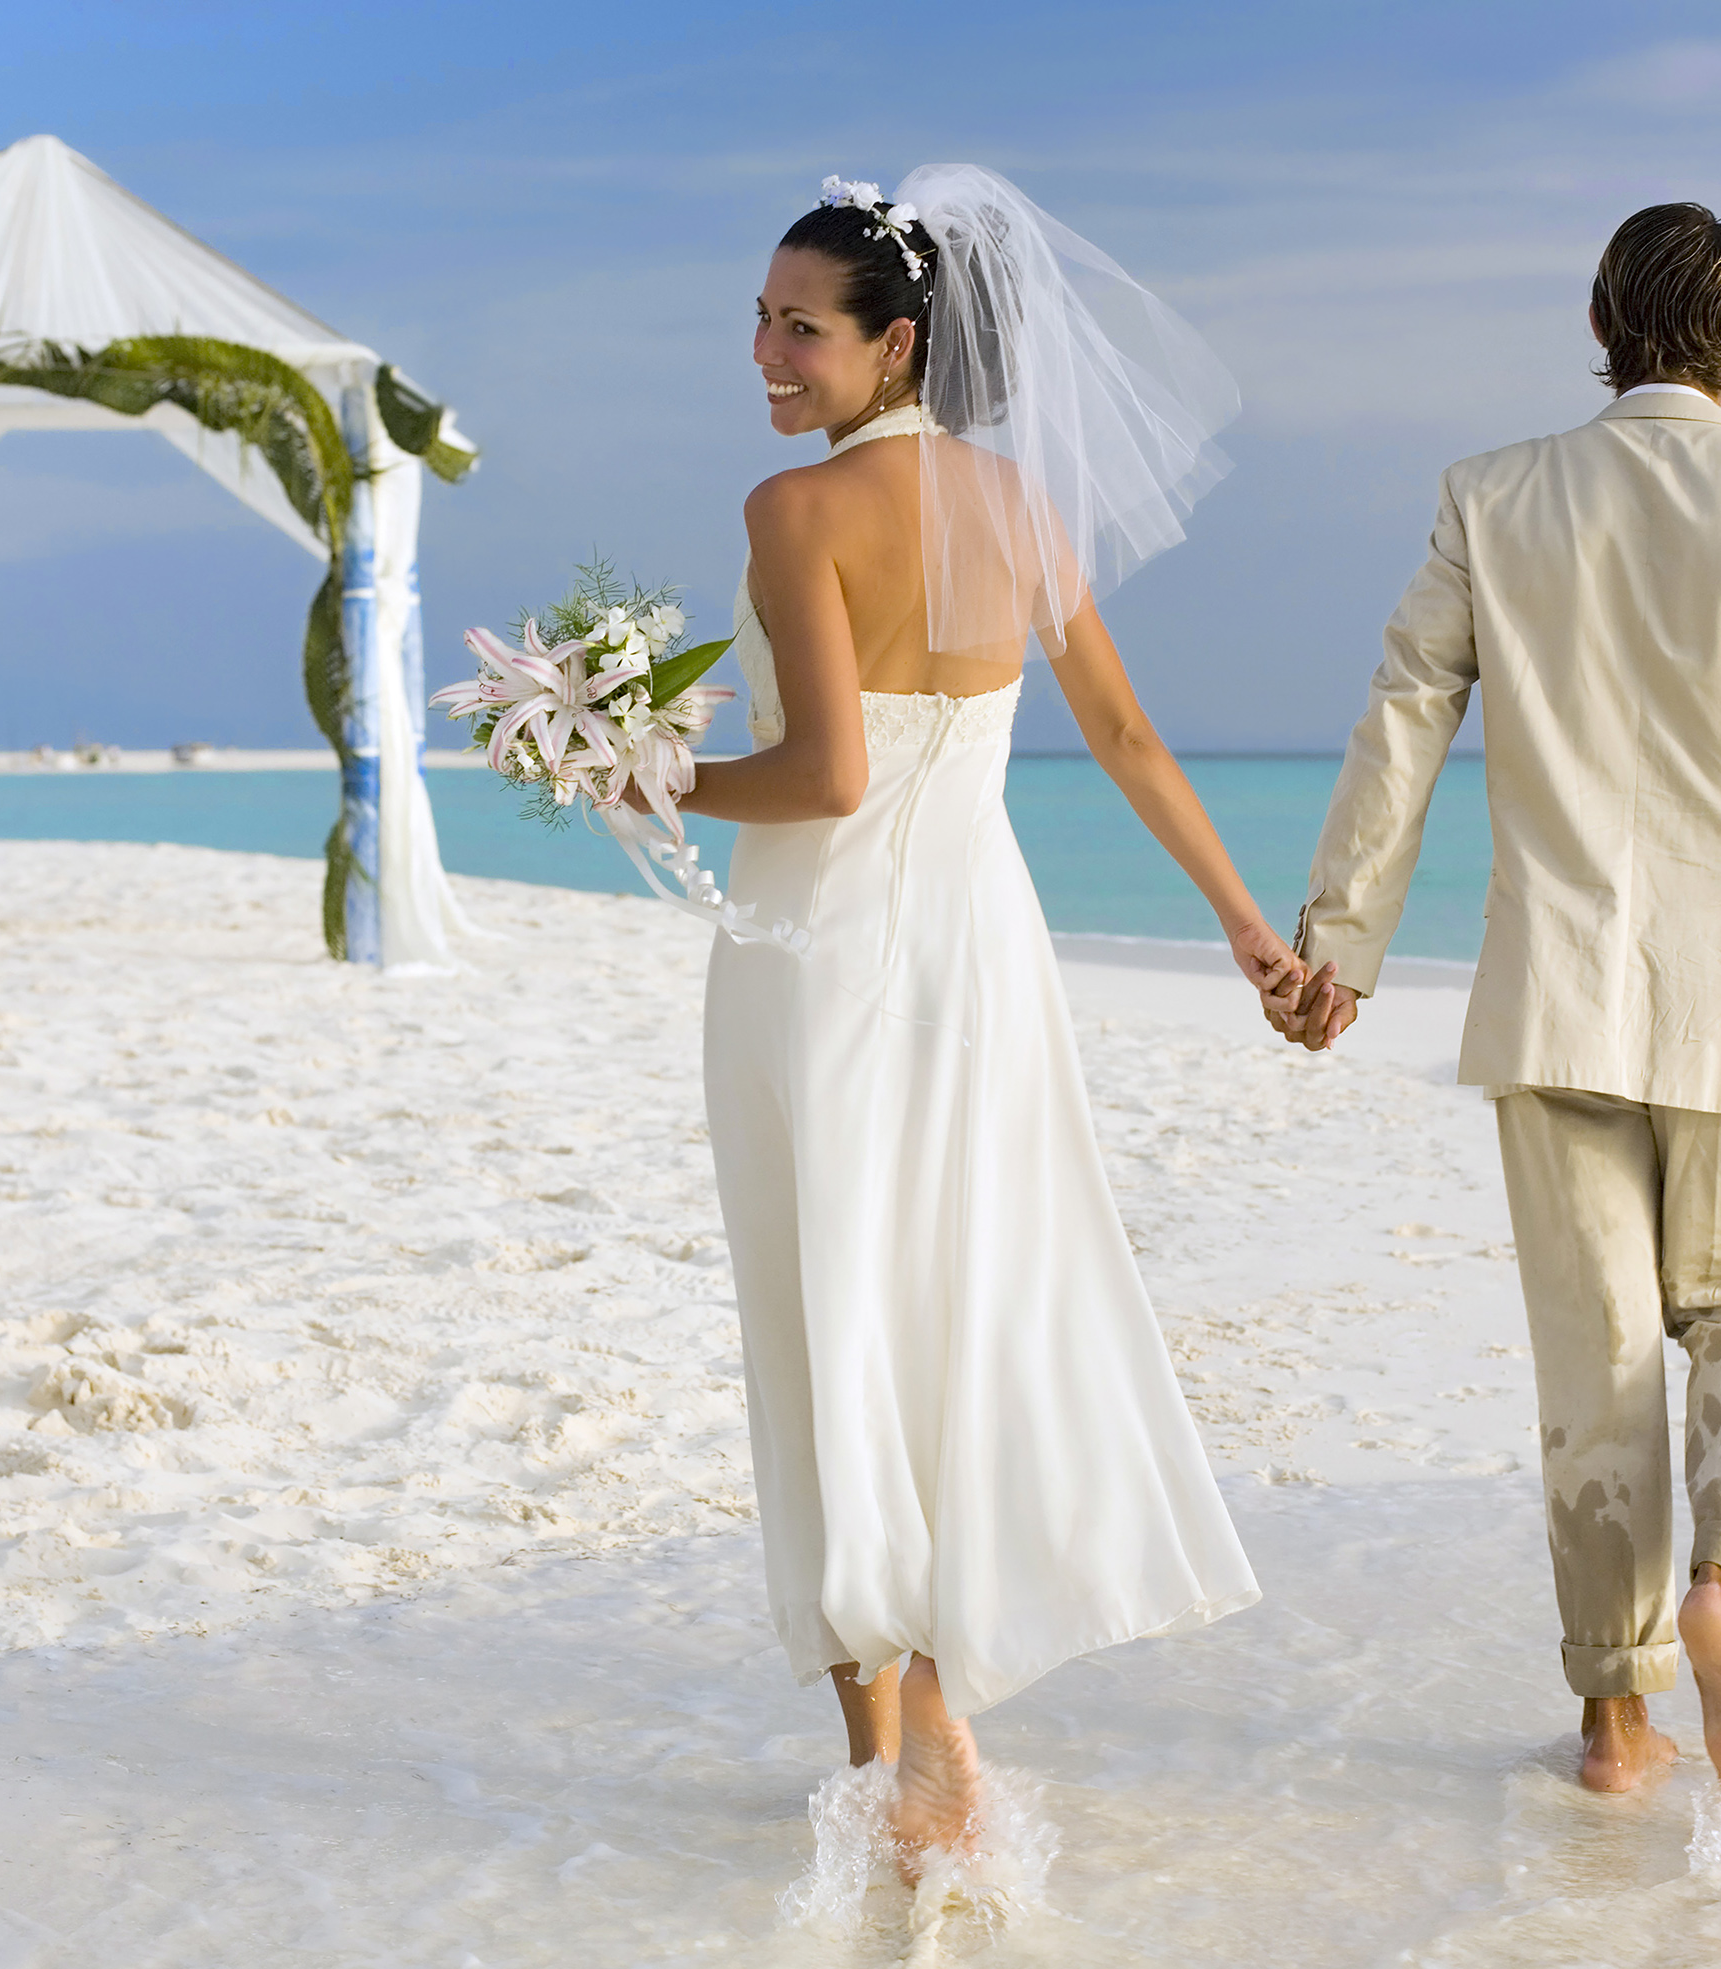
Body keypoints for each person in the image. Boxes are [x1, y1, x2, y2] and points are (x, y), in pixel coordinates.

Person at [1266, 203, 1721, 1797]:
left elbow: (1402, 718)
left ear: (1595, 317)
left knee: (1596, 1361)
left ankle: (1614, 1722)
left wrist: (1338, 946)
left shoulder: (1491, 498)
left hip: (1555, 995)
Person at [668, 168, 1278, 1870]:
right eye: (763, 322)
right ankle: (895, 1740)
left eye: (803, 328)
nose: (771, 357)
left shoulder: (794, 514)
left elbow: (821, 775)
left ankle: (911, 1712)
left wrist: (648, 773)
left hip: (824, 951)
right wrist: (1243, 927)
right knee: (956, 1301)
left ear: (896, 342)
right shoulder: (1022, 506)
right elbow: (1134, 742)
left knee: (831, 1307)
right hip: (982, 955)